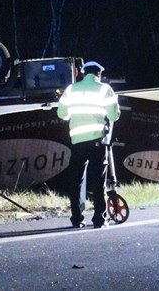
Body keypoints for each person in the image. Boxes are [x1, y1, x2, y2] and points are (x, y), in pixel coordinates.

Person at [57, 61, 121, 228]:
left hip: (77, 141)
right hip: (96, 141)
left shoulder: (71, 89)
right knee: (97, 179)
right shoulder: (105, 89)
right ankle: (99, 218)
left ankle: (76, 219)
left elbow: (61, 114)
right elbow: (114, 116)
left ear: (83, 74)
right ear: (98, 74)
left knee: (76, 180)